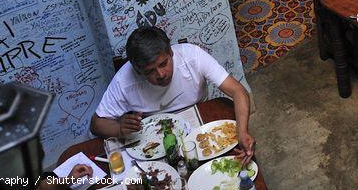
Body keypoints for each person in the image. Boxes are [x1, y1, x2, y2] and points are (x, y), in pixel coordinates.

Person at [89, 27, 255, 164]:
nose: (160, 74)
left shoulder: (192, 55)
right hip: (157, 137)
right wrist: (118, 129)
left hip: (199, 119)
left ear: (170, 51)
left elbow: (237, 91)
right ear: (137, 70)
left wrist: (242, 132)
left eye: (163, 64)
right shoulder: (123, 80)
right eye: (150, 71)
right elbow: (96, 124)